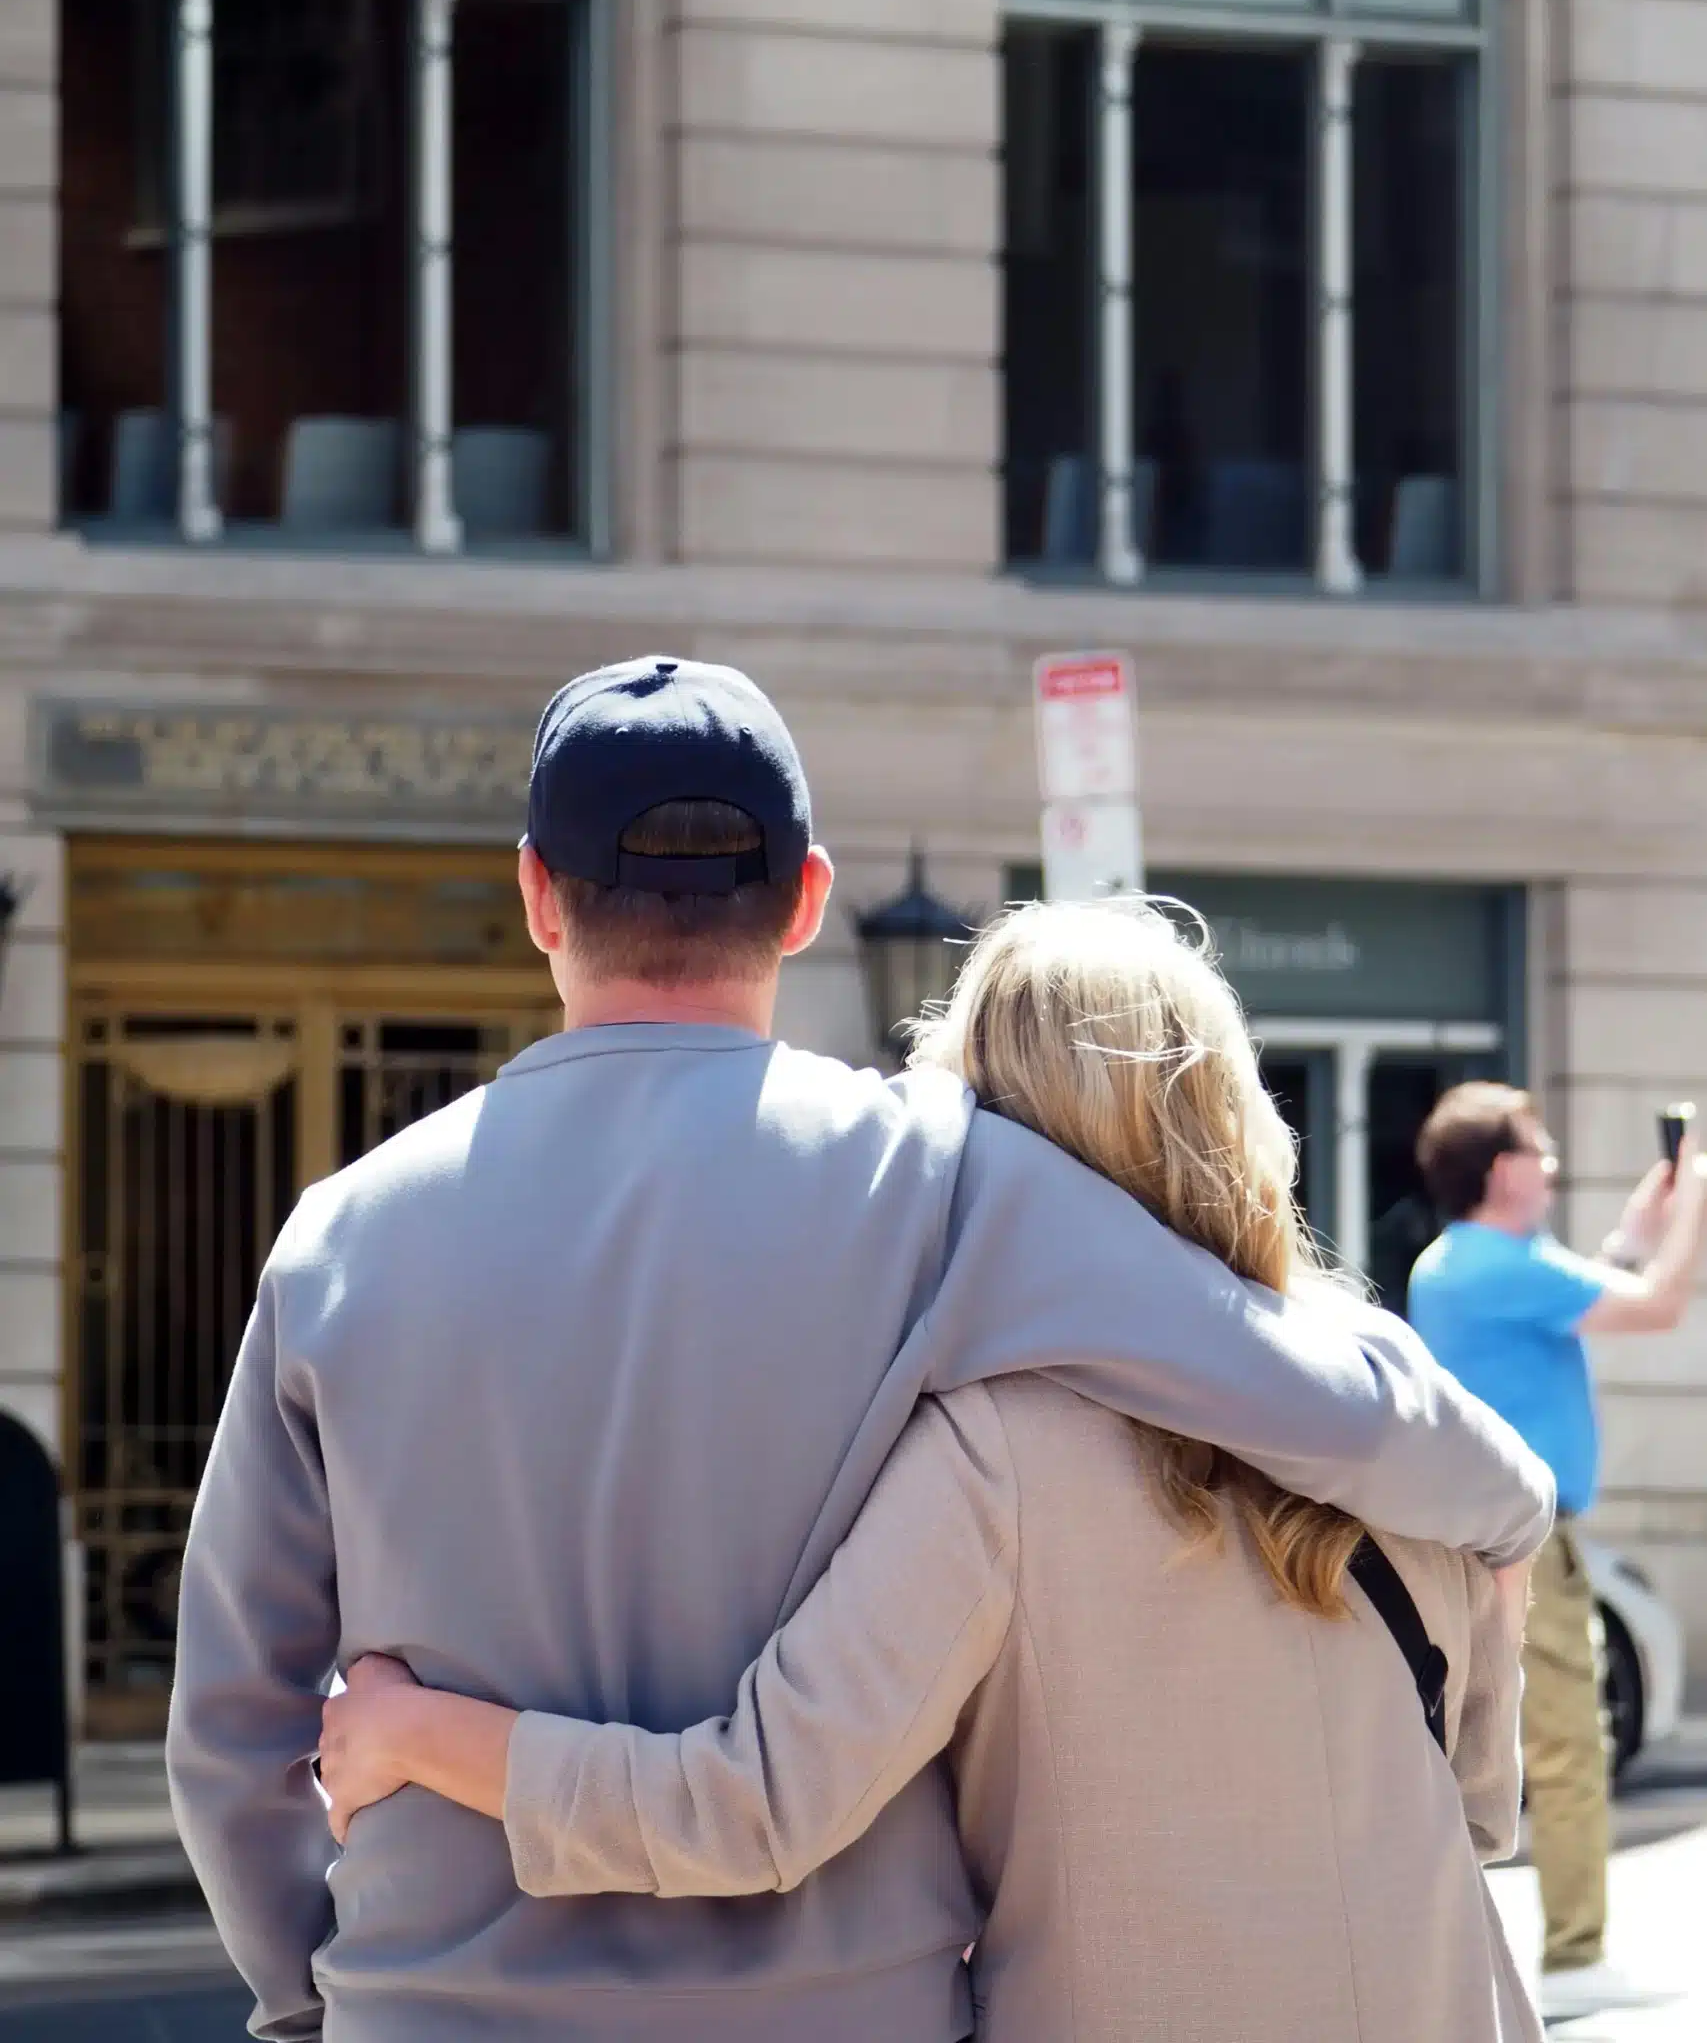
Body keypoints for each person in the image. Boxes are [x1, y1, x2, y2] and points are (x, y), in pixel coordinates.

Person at [168, 656, 1551, 2043]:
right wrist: (1503, 1507)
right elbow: (1319, 1401)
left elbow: (231, 1727)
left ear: (535, 892)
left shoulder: (338, 1240)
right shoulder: (941, 1182)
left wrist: (317, 1996)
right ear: (808, 900)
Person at [1408, 1080, 1707, 2024]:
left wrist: (1638, 1224)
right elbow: (1655, 1305)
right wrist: (1695, 1187)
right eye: (1538, 1150)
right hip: (1522, 1544)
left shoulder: (1471, 1263)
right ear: (1500, 1171)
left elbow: (1604, 1281)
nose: (1550, 1165)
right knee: (1569, 1743)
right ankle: (1575, 1952)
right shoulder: (1494, 1267)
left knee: (1490, 1743)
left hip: (1494, 1535)